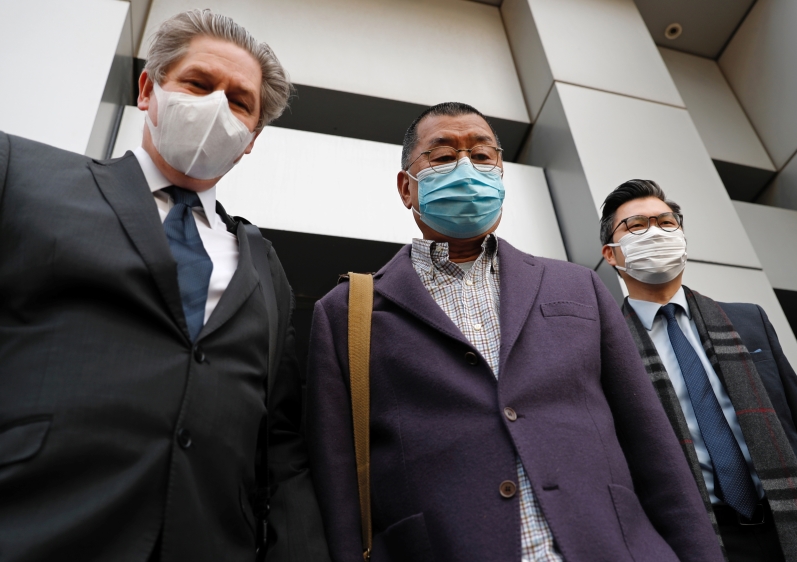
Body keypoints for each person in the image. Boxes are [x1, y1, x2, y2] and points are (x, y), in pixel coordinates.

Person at [305, 102, 724, 562]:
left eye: (483, 156)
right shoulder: (346, 314)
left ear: (501, 175)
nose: (467, 169)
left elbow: (652, 446)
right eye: (443, 157)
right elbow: (338, 485)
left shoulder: (578, 285)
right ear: (407, 188)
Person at [0, 10, 328, 562]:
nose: (216, 106)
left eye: (239, 101)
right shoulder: (17, 173)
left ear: (251, 139)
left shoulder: (266, 269)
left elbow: (280, 441)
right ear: (148, 90)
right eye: (198, 83)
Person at [599, 179, 797, 562]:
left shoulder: (748, 321)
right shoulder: (606, 349)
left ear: (681, 238)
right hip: (699, 540)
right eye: (636, 226)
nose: (656, 233)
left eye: (667, 222)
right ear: (611, 254)